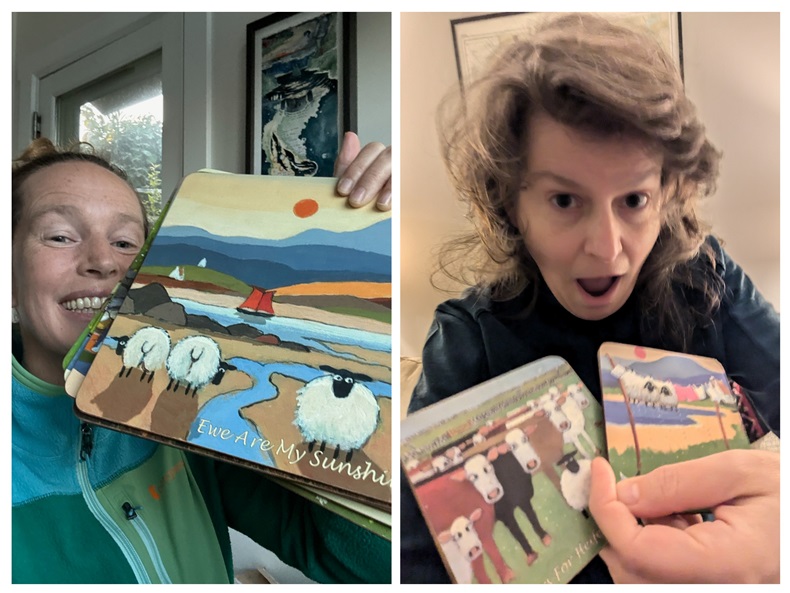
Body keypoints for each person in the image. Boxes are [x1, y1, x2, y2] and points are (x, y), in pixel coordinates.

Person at [401, 13, 779, 584]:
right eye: (564, 201)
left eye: (633, 199)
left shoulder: (707, 276)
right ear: (510, 205)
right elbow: (415, 557)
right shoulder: (467, 338)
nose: (607, 250)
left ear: (668, 192)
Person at [11, 133, 392, 584]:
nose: (102, 262)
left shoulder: (193, 416)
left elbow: (365, 566)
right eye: (60, 235)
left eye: (126, 243)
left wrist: (381, 326)